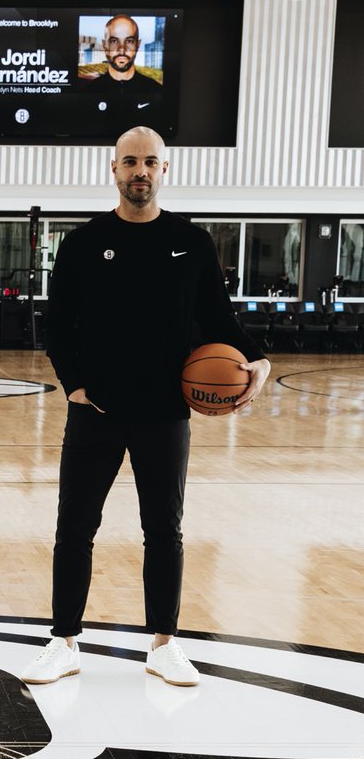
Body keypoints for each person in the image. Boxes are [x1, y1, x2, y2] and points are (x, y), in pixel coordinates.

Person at [21, 126, 271, 688]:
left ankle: (164, 644)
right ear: (113, 169)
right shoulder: (83, 244)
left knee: (165, 530)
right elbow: (58, 327)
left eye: (150, 162)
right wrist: (75, 387)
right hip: (97, 412)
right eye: (130, 161)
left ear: (164, 170)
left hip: (166, 414)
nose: (140, 171)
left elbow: (218, 318)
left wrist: (257, 359)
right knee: (74, 529)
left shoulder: (192, 242)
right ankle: (62, 641)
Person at [85, 15, 163, 129]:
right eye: (114, 41)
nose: (122, 49)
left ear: (138, 44)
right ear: (104, 44)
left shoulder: (157, 92)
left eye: (130, 41)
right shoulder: (88, 93)